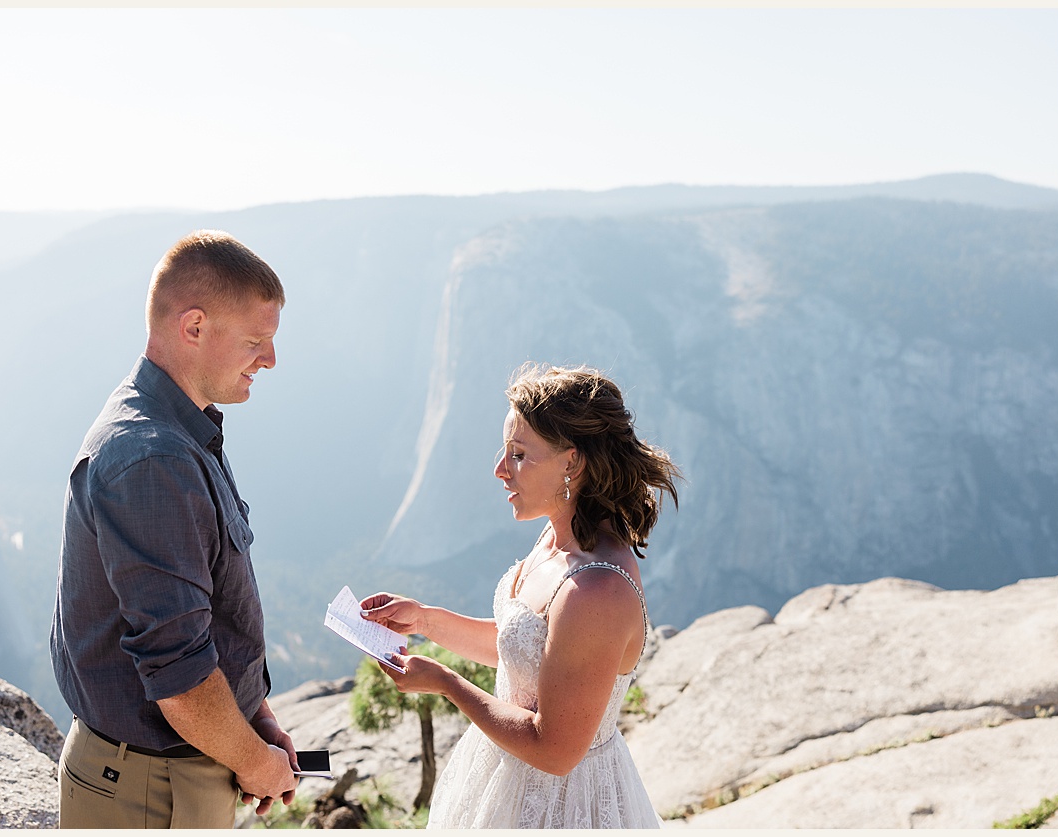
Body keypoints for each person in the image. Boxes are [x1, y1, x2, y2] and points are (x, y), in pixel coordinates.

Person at [358, 363, 679, 828]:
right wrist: (425, 621)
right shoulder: (557, 540)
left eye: (519, 454)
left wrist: (447, 682)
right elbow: (524, 653)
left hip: (562, 807)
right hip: (506, 781)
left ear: (572, 462)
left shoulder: (597, 590)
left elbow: (555, 751)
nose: (500, 470)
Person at [51, 231, 298, 827]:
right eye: (255, 341)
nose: (270, 359)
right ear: (193, 327)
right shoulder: (153, 458)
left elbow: (205, 612)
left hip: (170, 775)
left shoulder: (182, 429)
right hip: (149, 789)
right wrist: (256, 762)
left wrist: (255, 717)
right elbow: (179, 674)